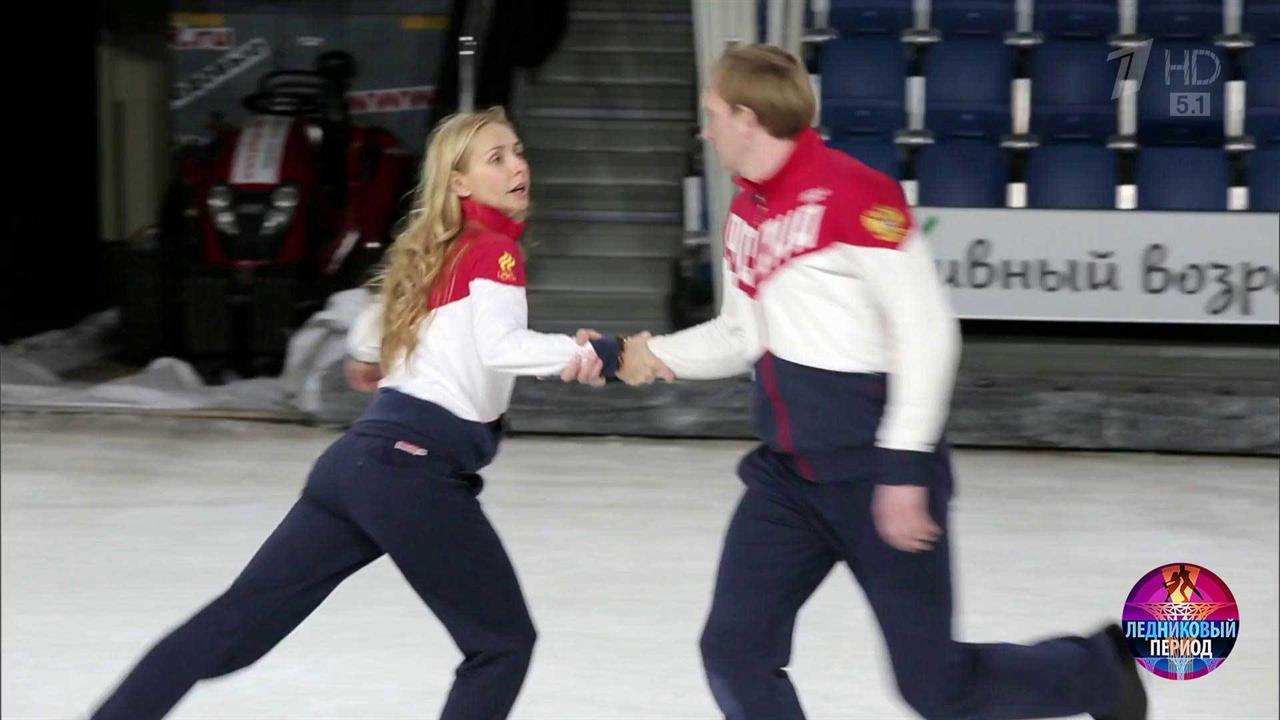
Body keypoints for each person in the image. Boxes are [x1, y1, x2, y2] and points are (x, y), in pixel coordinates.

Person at [575, 45, 1148, 720]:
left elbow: (928, 333)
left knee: (935, 688)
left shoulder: (857, 192)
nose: (705, 130)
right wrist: (633, 356)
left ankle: (1097, 673)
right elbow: (739, 335)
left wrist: (903, 468)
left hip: (874, 475)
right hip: (788, 479)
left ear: (747, 117)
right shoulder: (746, 212)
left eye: (713, 115)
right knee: (734, 649)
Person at [90, 107, 609, 720]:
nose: (518, 166)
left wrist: (368, 356)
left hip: (354, 467)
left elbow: (371, 327)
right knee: (502, 644)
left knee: (232, 630)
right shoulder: (494, 251)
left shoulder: (433, 249)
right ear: (459, 182)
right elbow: (501, 348)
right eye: (496, 158)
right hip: (413, 473)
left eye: (517, 151)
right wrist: (588, 353)